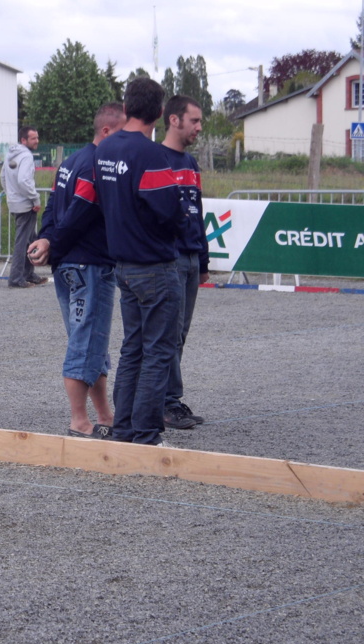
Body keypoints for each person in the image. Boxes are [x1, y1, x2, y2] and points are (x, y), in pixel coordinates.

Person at [94, 77, 186, 446]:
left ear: (127, 106)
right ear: (160, 113)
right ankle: (147, 434)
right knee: (159, 351)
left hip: (124, 265)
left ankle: (126, 428)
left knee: (132, 348)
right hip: (154, 264)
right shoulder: (150, 153)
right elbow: (170, 209)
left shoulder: (105, 148)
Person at [28, 103, 126, 439]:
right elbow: (79, 213)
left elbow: (54, 208)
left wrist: (46, 238)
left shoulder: (69, 163)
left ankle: (104, 414)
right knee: (85, 341)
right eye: (124, 132)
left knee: (90, 340)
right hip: (90, 264)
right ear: (108, 132)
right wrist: (52, 241)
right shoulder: (98, 165)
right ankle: (79, 421)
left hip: (68, 264)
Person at [161, 95, 208, 431]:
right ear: (174, 120)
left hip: (191, 258)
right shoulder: (156, 159)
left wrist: (203, 259)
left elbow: (198, 213)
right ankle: (166, 403)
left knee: (181, 334)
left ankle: (171, 399)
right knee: (168, 332)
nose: (199, 127)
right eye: (194, 121)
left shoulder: (191, 163)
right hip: (169, 258)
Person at [1, 126, 46, 288]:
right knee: (22, 241)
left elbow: (3, 177)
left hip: (15, 202)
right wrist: (35, 199)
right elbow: (24, 181)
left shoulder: (10, 154)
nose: (37, 141)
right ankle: (16, 278)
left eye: (37, 137)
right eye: (33, 138)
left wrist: (11, 196)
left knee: (29, 239)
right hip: (26, 204)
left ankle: (28, 273)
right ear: (23, 140)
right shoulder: (26, 156)